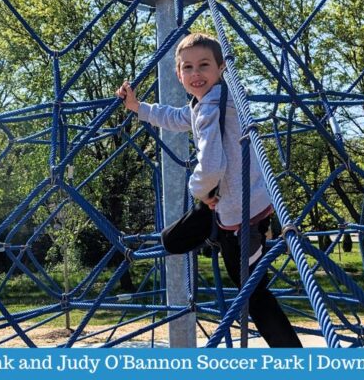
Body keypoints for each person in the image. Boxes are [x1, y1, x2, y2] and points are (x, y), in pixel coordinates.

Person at [115, 33, 301, 348]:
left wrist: (197, 189)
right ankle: (212, 231)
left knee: (252, 291)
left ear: (220, 69)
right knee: (173, 239)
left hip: (240, 211)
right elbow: (176, 117)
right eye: (187, 67)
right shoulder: (213, 100)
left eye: (204, 65)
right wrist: (137, 107)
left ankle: (291, 355)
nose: (195, 74)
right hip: (247, 199)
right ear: (178, 74)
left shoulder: (211, 106)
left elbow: (212, 166)